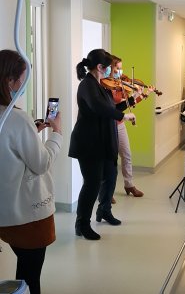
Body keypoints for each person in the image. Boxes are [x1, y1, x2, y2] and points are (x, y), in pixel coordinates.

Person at [0, 49, 62, 294]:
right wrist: (56, 133)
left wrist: (30, 136)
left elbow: (8, 149)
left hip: (5, 214)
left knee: (23, 273)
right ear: (9, 81)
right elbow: (41, 163)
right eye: (22, 80)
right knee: (29, 278)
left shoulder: (11, 120)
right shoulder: (16, 118)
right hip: (28, 217)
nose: (24, 86)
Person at [69, 49, 136, 240]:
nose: (112, 72)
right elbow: (99, 108)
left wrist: (131, 100)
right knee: (91, 184)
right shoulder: (87, 85)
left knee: (110, 175)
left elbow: (110, 108)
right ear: (100, 67)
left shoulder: (99, 85)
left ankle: (104, 211)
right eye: (109, 68)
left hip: (104, 141)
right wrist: (123, 116)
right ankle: (82, 224)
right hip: (89, 143)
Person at [107, 55, 143, 202]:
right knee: (110, 159)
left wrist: (136, 95)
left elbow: (124, 105)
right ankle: (107, 191)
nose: (120, 73)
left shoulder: (119, 84)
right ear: (109, 68)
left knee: (126, 155)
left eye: (121, 69)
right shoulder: (105, 86)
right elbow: (111, 107)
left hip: (120, 124)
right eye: (117, 69)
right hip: (108, 125)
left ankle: (129, 185)